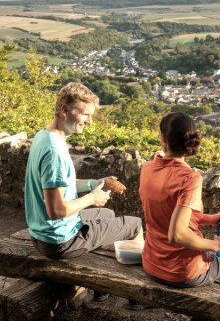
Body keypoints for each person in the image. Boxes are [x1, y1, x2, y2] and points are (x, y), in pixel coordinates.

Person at [24, 82, 143, 299]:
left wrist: (94, 183)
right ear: (64, 109)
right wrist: (92, 198)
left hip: (41, 233)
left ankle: (100, 287)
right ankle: (137, 297)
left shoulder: (45, 136)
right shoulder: (55, 152)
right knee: (134, 225)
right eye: (85, 114)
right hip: (59, 241)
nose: (89, 121)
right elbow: (57, 210)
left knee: (107, 215)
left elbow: (59, 184)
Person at [139, 112, 220, 287]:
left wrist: (212, 219)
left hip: (152, 264)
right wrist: (216, 245)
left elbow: (167, 214)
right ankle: (218, 308)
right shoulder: (189, 178)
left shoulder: (147, 169)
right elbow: (177, 235)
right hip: (181, 272)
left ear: (162, 138)